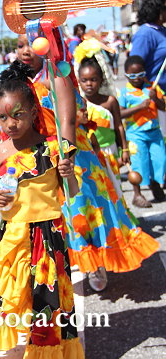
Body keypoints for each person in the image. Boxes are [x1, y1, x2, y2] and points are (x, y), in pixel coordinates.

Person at [11, 38, 158, 292]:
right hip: (38, 158)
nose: (26, 50)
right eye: (21, 45)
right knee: (50, 215)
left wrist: (67, 156)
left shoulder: (58, 79)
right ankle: (57, 265)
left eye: (31, 44)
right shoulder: (18, 82)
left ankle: (94, 262)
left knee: (81, 209)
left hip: (73, 155)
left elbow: (71, 121)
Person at [0, 61, 85, 359]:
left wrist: (68, 174)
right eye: (3, 117)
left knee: (46, 301)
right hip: (12, 236)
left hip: (47, 237)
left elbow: (72, 191)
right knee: (18, 294)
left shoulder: (54, 148)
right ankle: (30, 344)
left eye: (18, 115)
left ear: (34, 111)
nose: (10, 124)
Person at [78, 57, 131, 207]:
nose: (89, 84)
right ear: (79, 81)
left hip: (110, 150)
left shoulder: (110, 101)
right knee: (98, 188)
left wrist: (124, 149)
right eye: (84, 80)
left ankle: (121, 215)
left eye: (93, 79)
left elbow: (119, 126)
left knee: (115, 186)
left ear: (101, 80)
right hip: (91, 152)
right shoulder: (79, 103)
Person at [118, 55, 166, 206]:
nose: (137, 78)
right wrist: (139, 107)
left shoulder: (152, 88)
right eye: (132, 75)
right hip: (135, 134)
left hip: (154, 132)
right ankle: (137, 195)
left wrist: (155, 98)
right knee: (139, 162)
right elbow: (120, 114)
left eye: (140, 74)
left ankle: (155, 184)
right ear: (126, 75)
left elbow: (163, 107)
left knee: (159, 159)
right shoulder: (124, 92)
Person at [130, 0, 166, 135]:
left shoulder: (162, 30)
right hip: (157, 95)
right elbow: (134, 65)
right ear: (158, 11)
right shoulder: (145, 33)